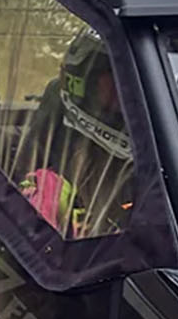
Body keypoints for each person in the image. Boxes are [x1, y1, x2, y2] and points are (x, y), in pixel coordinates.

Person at [20, 29, 134, 239]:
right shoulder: (49, 193)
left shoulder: (176, 165)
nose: (133, 93)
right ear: (86, 86)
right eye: (122, 81)